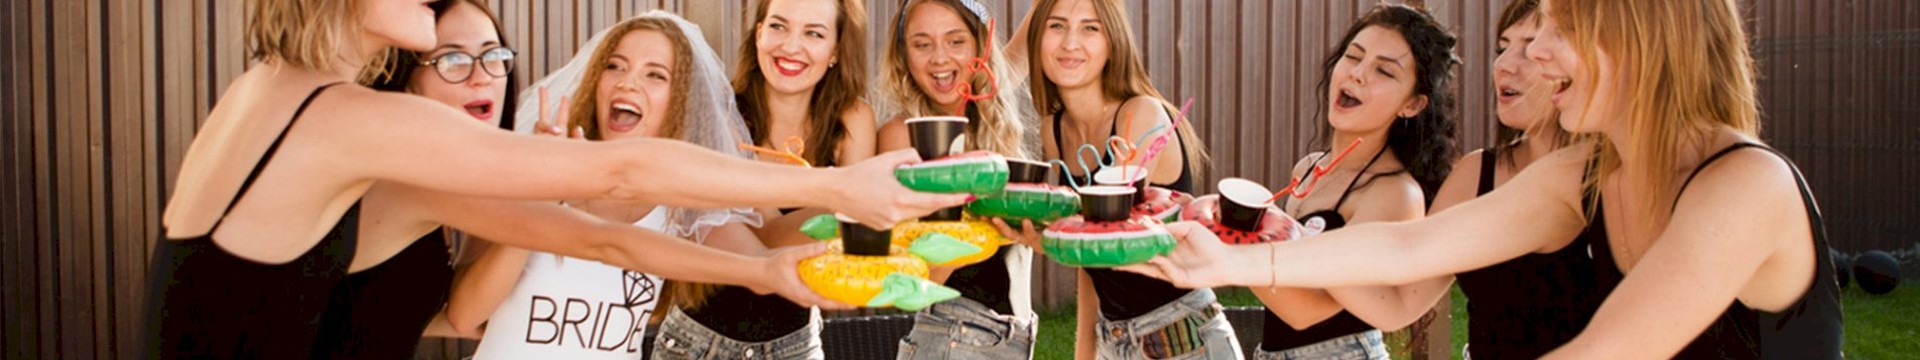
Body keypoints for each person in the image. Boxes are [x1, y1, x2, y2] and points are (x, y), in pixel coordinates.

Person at [144, 0, 966, 357]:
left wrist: (764, 270)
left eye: (490, 57)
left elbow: (600, 238)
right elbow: (621, 170)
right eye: (453, 58)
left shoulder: (281, 100)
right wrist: (837, 189)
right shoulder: (343, 117)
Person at [1121, 0, 1843, 358]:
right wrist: (1226, 259)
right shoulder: (1582, 176)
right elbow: (1411, 250)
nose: (1536, 57)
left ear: (1637, 37)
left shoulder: (1745, 186)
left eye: (1557, 30)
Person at [1013, 0, 1229, 359]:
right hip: (1114, 337)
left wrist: (1050, 239)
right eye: (1056, 26)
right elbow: (1091, 264)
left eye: (1090, 28)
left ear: (1113, 42)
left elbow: (1112, 236)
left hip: (1182, 334)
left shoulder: (1140, 114)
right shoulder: (1055, 129)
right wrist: (1085, 351)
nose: (1070, 43)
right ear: (1037, 39)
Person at [1248, 4, 1459, 359]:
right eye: (1354, 56)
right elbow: (1284, 282)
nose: (1358, 74)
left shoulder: (1395, 193)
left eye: (1384, 71)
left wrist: (1234, 239)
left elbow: (1307, 311)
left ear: (1412, 104)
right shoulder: (1308, 168)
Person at [874, 0, 1038, 358]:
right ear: (903, 55)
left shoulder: (989, 115)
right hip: (951, 338)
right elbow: (912, 285)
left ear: (980, 47)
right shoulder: (904, 137)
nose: (939, 58)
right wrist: (981, 227)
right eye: (922, 44)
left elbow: (1035, 30)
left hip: (1012, 337)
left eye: (956, 41)